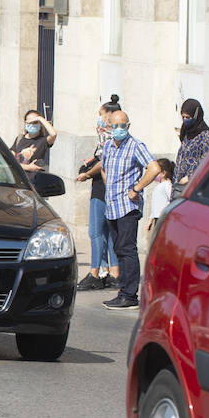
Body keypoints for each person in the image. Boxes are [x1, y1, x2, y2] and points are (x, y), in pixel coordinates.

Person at [78, 108, 162, 310]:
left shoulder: (135, 146)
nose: (118, 129)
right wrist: (107, 187)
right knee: (118, 249)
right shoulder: (108, 147)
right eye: (114, 126)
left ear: (128, 126)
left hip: (127, 207)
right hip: (112, 205)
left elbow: (154, 168)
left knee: (127, 249)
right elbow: (104, 167)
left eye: (122, 126)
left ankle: (129, 294)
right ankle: (123, 290)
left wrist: (137, 188)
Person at [75, 96, 121, 291]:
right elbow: (99, 156)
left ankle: (94, 273)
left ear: (110, 115)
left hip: (101, 188)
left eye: (101, 115)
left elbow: (104, 162)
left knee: (95, 232)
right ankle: (114, 273)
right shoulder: (116, 137)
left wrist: (86, 174)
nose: (100, 120)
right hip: (111, 188)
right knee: (109, 233)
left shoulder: (108, 137)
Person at [172, 98, 209, 199]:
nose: (185, 120)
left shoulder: (205, 136)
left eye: (188, 117)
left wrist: (189, 177)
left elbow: (208, 161)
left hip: (193, 188)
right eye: (183, 117)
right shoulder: (186, 134)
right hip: (179, 187)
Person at [10, 110, 57, 188]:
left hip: (32, 185)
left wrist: (40, 118)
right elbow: (10, 161)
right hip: (16, 182)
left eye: (35, 122)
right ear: (25, 123)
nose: (32, 125)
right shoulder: (19, 139)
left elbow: (54, 134)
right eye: (29, 122)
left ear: (40, 124)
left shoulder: (43, 141)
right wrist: (28, 167)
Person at [146, 158, 175, 234]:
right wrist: (151, 219)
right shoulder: (160, 186)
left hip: (163, 218)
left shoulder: (167, 185)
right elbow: (155, 204)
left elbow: (171, 199)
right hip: (157, 217)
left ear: (163, 173)